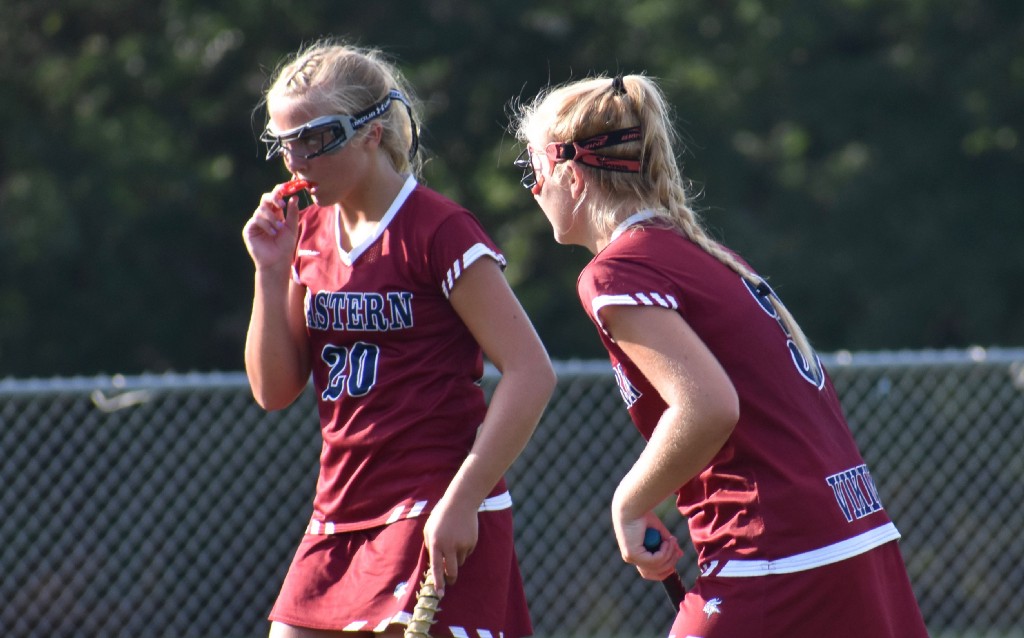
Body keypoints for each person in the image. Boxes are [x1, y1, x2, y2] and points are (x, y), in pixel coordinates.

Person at [510, 73, 929, 638]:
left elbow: (707, 407)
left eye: (531, 168)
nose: (533, 189)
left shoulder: (616, 272)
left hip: (776, 556)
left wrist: (628, 504)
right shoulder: (703, 254)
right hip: (853, 538)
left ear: (571, 170)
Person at [242, 39, 555, 638]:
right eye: (286, 143)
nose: (297, 161)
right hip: (339, 513)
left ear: (371, 131)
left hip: (433, 506)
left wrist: (463, 500)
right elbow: (274, 389)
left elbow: (530, 371)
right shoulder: (307, 235)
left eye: (316, 137)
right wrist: (271, 268)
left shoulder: (439, 229)